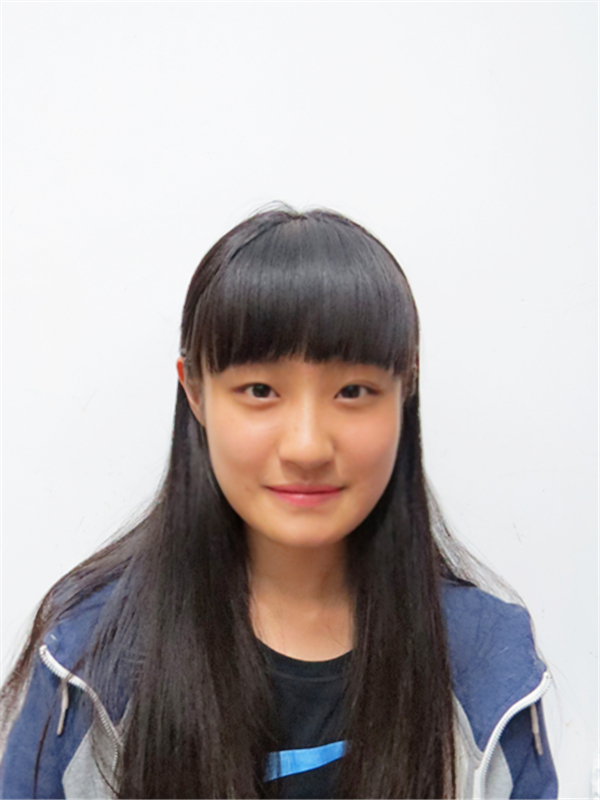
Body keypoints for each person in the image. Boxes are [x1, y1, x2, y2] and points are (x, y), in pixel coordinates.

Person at [0, 206, 558, 799]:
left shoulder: (487, 666)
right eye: (261, 390)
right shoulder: (91, 658)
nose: (307, 447)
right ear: (195, 392)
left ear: (405, 391)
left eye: (353, 391)